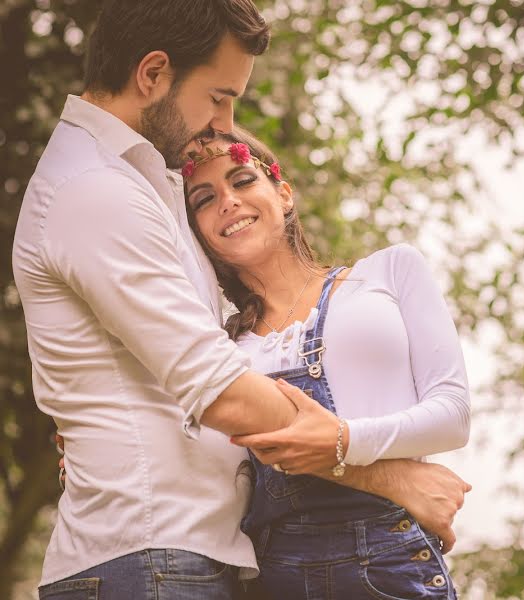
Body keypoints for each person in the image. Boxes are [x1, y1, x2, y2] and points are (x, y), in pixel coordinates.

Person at [13, 1, 470, 598]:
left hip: (193, 553)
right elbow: (221, 391)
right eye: (219, 97)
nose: (225, 124)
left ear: (284, 193)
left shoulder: (142, 182)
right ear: (152, 74)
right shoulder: (95, 190)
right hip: (149, 555)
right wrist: (394, 478)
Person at [181, 126, 470, 598]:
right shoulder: (218, 348)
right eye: (204, 198)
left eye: (242, 180)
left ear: (285, 194)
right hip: (272, 574)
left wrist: (343, 440)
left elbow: (453, 415)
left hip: (392, 564)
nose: (228, 201)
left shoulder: (389, 273)